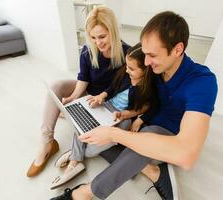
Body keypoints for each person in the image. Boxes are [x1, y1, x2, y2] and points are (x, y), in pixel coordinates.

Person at [50, 11, 218, 200]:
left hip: (163, 131)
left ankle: (83, 193)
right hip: (140, 123)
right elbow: (127, 85)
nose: (146, 62)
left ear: (177, 50)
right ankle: (153, 171)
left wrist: (115, 133)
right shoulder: (153, 68)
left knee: (126, 140)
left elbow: (186, 155)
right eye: (145, 54)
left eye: (152, 55)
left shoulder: (202, 81)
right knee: (102, 133)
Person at [26, 7, 130, 177]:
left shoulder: (127, 53)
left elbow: (125, 86)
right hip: (88, 93)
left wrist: (101, 97)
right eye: (93, 37)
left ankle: (75, 153)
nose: (98, 43)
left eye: (102, 36)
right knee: (56, 86)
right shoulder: (88, 51)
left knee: (84, 120)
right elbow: (83, 78)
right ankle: (47, 142)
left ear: (114, 31)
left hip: (106, 100)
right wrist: (74, 97)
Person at [50, 43, 159, 189]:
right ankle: (75, 163)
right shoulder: (125, 74)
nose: (126, 70)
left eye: (132, 68)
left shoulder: (150, 88)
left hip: (123, 118)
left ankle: (75, 154)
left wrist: (139, 119)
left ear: (146, 70)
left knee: (91, 151)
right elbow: (112, 87)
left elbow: (152, 107)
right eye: (127, 65)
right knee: (81, 122)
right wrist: (102, 95)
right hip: (107, 105)